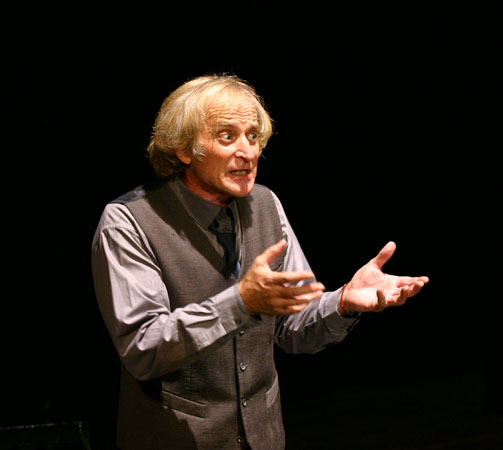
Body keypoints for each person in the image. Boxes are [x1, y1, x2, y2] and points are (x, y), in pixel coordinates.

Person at [91, 74, 429, 450]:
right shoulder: (128, 221)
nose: (248, 152)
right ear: (185, 150)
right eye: (227, 136)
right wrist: (241, 303)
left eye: (252, 136)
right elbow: (144, 348)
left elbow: (293, 328)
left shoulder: (266, 204)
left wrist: (343, 302)